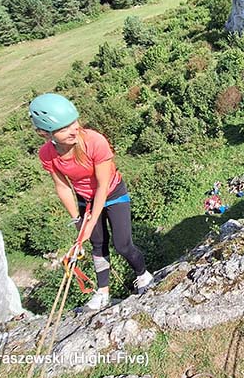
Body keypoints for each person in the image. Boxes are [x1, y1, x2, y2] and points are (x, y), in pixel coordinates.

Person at [29, 93, 153, 311]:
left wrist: (89, 222)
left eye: (74, 122)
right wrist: (77, 219)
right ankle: (103, 293)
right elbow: (63, 186)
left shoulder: (94, 141)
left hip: (113, 194)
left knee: (122, 245)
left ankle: (143, 276)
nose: (73, 129)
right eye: (64, 128)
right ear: (46, 134)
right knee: (98, 245)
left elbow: (103, 186)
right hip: (85, 199)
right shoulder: (47, 154)